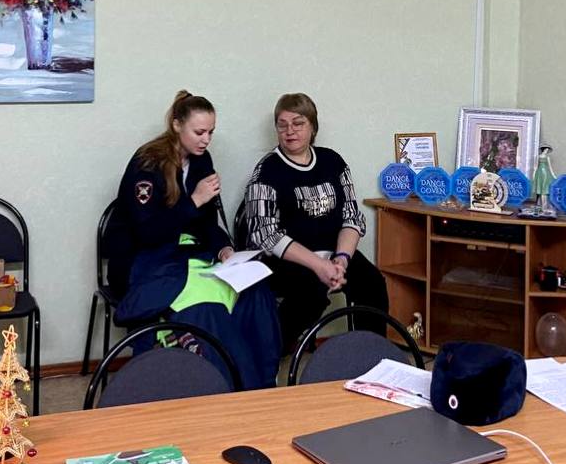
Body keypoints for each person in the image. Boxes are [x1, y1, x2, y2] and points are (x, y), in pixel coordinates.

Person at [112, 90, 280, 389]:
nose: (206, 140)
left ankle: (264, 385)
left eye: (211, 132)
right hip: (148, 260)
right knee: (207, 307)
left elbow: (206, 222)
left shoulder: (202, 160)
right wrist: (194, 200)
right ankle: (230, 389)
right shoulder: (147, 163)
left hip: (192, 255)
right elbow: (147, 232)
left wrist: (224, 248)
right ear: (177, 125)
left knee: (256, 293)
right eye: (199, 132)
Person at [243, 92, 389, 352]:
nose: (290, 131)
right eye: (282, 125)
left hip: (335, 253)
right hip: (289, 260)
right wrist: (319, 265)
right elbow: (265, 234)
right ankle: (270, 353)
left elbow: (352, 217)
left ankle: (370, 355)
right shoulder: (266, 171)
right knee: (310, 292)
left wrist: (341, 260)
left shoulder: (333, 162)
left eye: (298, 123)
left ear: (313, 127)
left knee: (371, 282)